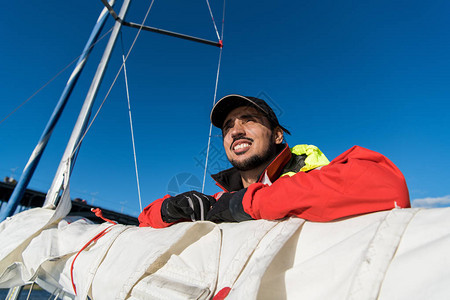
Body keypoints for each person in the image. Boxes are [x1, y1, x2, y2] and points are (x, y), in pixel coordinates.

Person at [138, 94, 410, 228]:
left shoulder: (312, 173)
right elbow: (142, 223)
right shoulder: (221, 200)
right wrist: (167, 210)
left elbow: (385, 186)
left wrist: (245, 203)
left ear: (278, 135)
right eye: (228, 127)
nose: (236, 130)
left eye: (249, 120)